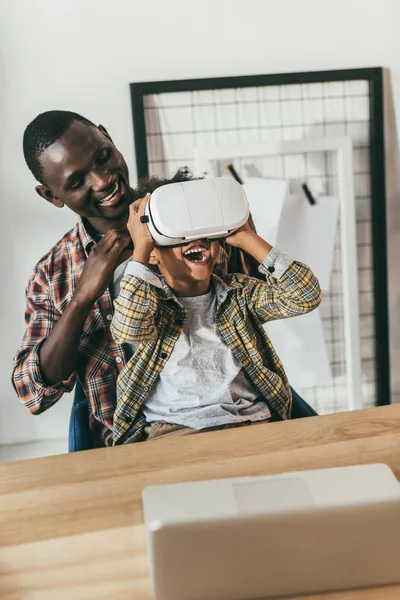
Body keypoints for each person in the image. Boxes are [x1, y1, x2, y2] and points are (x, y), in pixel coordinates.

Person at [109, 191, 322, 445]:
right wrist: (141, 247)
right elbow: (128, 329)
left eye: (204, 232)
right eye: (178, 233)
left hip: (251, 424)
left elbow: (305, 295)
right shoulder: (149, 303)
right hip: (176, 433)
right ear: (153, 251)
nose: (195, 239)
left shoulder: (240, 295)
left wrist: (246, 237)